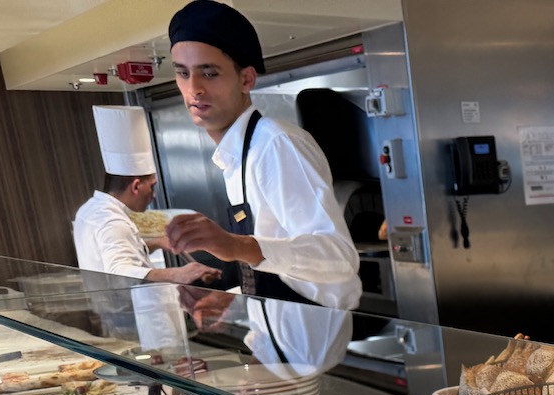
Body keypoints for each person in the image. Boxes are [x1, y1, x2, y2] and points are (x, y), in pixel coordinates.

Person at [162, 0, 360, 312]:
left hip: (314, 352)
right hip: (278, 348)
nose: (194, 88)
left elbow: (338, 257)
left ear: (246, 79)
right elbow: (276, 264)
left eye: (209, 73)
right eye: (183, 73)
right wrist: (235, 303)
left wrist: (233, 245)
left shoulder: (276, 144)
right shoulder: (240, 153)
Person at [72, 105, 219, 286]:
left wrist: (156, 242)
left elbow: (121, 253)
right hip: (128, 312)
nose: (154, 195)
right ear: (136, 186)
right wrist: (176, 274)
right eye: (151, 186)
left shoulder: (90, 209)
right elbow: (120, 270)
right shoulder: (112, 221)